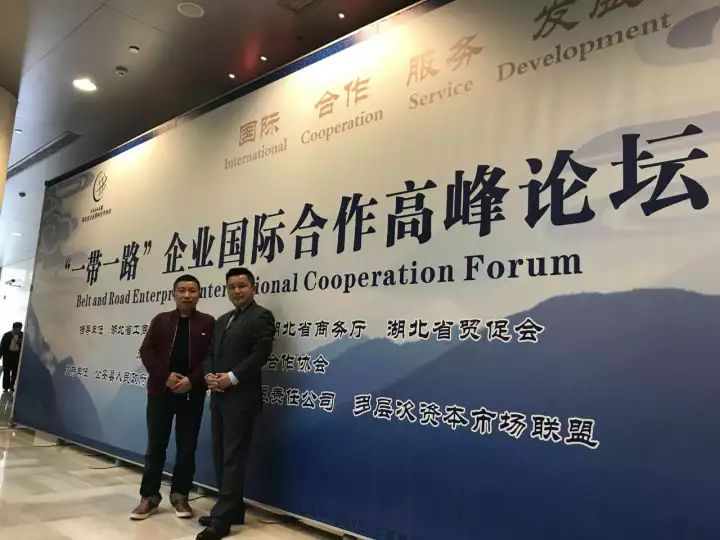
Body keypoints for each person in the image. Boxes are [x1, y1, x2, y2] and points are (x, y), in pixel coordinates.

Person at [196, 267, 275, 540]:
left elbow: (261, 354)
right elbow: (209, 354)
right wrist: (209, 376)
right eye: (231, 287)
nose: (237, 290)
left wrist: (231, 378)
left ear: (253, 287)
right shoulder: (222, 320)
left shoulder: (261, 316)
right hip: (218, 398)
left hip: (241, 399)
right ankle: (233, 510)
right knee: (221, 456)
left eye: (242, 285)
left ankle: (221, 520)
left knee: (233, 458)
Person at [130, 274, 215, 521]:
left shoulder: (208, 323)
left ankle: (180, 495)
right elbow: (146, 351)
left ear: (199, 295)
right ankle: (149, 497)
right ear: (174, 294)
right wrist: (164, 376)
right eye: (182, 290)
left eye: (192, 290)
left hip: (192, 394)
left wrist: (193, 381)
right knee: (156, 446)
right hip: (160, 393)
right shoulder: (161, 320)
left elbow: (211, 357)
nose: (187, 295)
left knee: (187, 447)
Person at [0, 322, 23, 393]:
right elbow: (2, 347)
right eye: (16, 329)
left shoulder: (23, 336)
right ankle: (6, 388)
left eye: (19, 329)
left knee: (15, 373)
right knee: (6, 372)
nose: (17, 330)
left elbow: (25, 346)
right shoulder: (7, 335)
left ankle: (11, 386)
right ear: (13, 328)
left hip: (17, 356)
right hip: (7, 356)